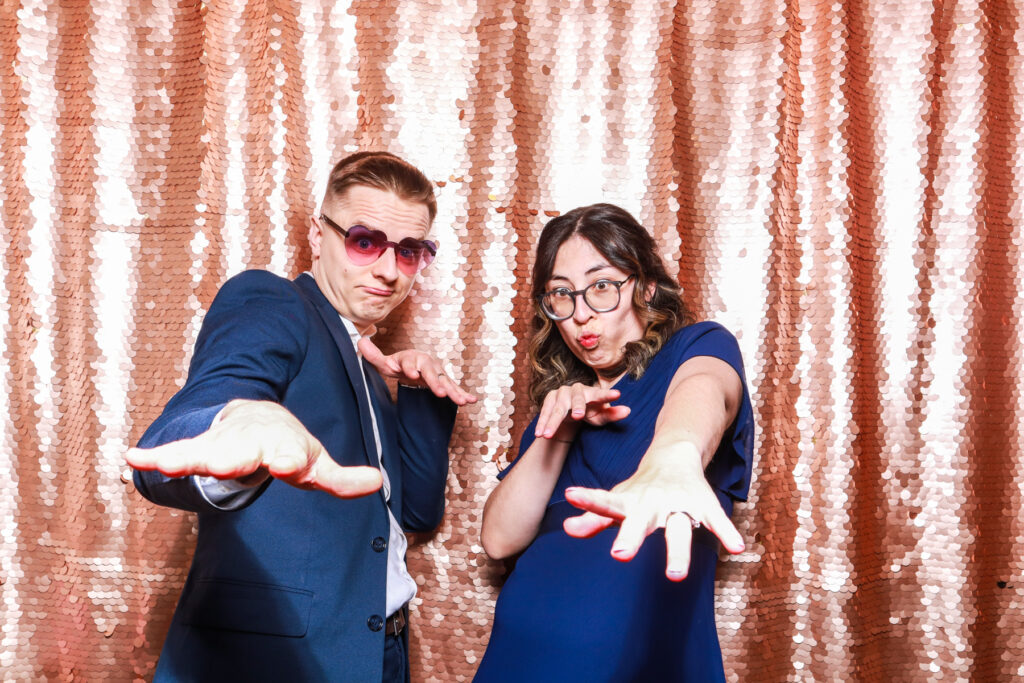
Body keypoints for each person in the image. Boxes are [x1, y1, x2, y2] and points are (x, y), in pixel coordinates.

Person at [126, 151, 475, 682]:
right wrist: (233, 422)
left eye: (408, 252)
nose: (387, 270)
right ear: (318, 234)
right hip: (276, 661)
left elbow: (416, 516)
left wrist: (418, 395)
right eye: (364, 241)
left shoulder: (369, 369)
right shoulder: (274, 303)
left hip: (381, 651)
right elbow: (214, 400)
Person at [476, 203, 754, 682]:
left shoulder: (697, 347)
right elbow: (498, 539)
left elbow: (705, 390)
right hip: (518, 658)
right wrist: (560, 429)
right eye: (561, 295)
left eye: (601, 286)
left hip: (640, 663)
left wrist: (675, 456)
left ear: (645, 286)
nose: (581, 314)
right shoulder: (559, 411)